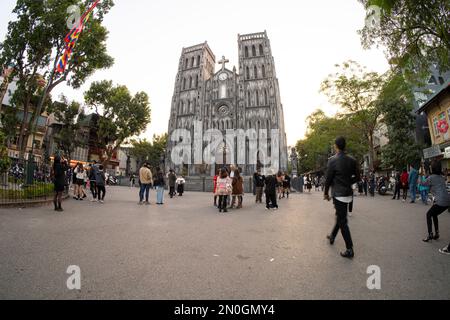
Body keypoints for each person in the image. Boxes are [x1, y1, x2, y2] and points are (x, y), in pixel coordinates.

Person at [324, 137, 360, 259]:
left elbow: (328, 178)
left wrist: (325, 193)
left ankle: (349, 249)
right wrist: (348, 182)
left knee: (342, 221)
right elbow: (357, 177)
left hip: (338, 194)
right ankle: (333, 235)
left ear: (336, 146)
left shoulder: (332, 160)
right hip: (348, 193)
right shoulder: (352, 160)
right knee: (340, 216)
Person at [420, 161, 450, 243]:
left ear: (432, 168)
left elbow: (422, 183)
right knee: (434, 214)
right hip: (447, 201)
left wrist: (422, 174)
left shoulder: (431, 177)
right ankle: (436, 234)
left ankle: (430, 234)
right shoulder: (441, 177)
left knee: (428, 214)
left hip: (440, 201)